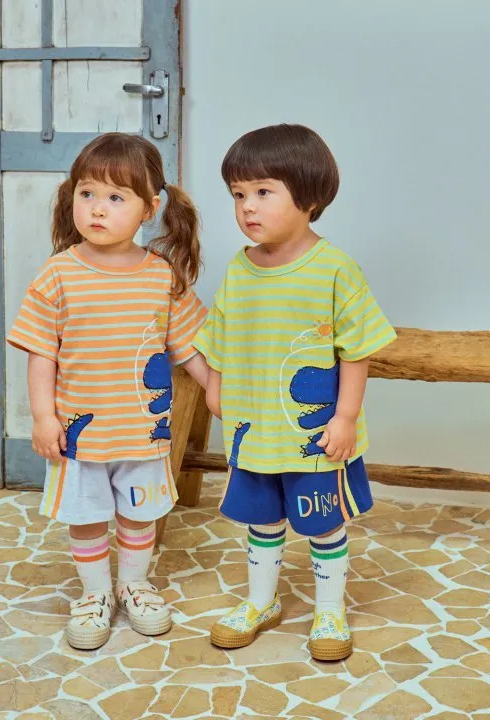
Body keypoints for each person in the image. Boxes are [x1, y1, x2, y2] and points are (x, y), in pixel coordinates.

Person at [193, 124, 396, 661]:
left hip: (315, 438)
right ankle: (262, 602)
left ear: (308, 198)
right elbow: (221, 335)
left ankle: (330, 610)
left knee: (323, 523)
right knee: (262, 521)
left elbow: (357, 351)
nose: (247, 206)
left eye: (263, 191)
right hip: (254, 432)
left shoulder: (335, 270)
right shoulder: (239, 270)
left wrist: (345, 417)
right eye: (238, 194)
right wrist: (215, 388)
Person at [7, 133, 208, 650]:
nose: (98, 208)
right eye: (88, 193)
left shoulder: (161, 276)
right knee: (87, 518)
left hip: (143, 432)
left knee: (140, 515)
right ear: (72, 196)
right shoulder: (58, 274)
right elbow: (41, 353)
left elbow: (189, 347)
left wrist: (217, 388)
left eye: (116, 197)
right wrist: (43, 417)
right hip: (82, 436)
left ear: (150, 209)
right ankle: (95, 593)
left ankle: (133, 585)